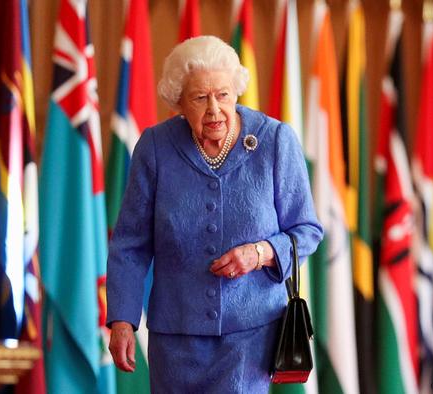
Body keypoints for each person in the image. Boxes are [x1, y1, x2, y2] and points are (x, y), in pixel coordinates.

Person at [106, 35, 323, 393]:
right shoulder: (156, 147)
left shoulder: (275, 141)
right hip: (175, 339)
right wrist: (123, 320)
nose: (213, 110)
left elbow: (307, 230)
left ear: (235, 93)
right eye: (199, 97)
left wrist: (260, 253)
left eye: (222, 95)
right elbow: (130, 243)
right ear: (178, 101)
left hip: (251, 337)